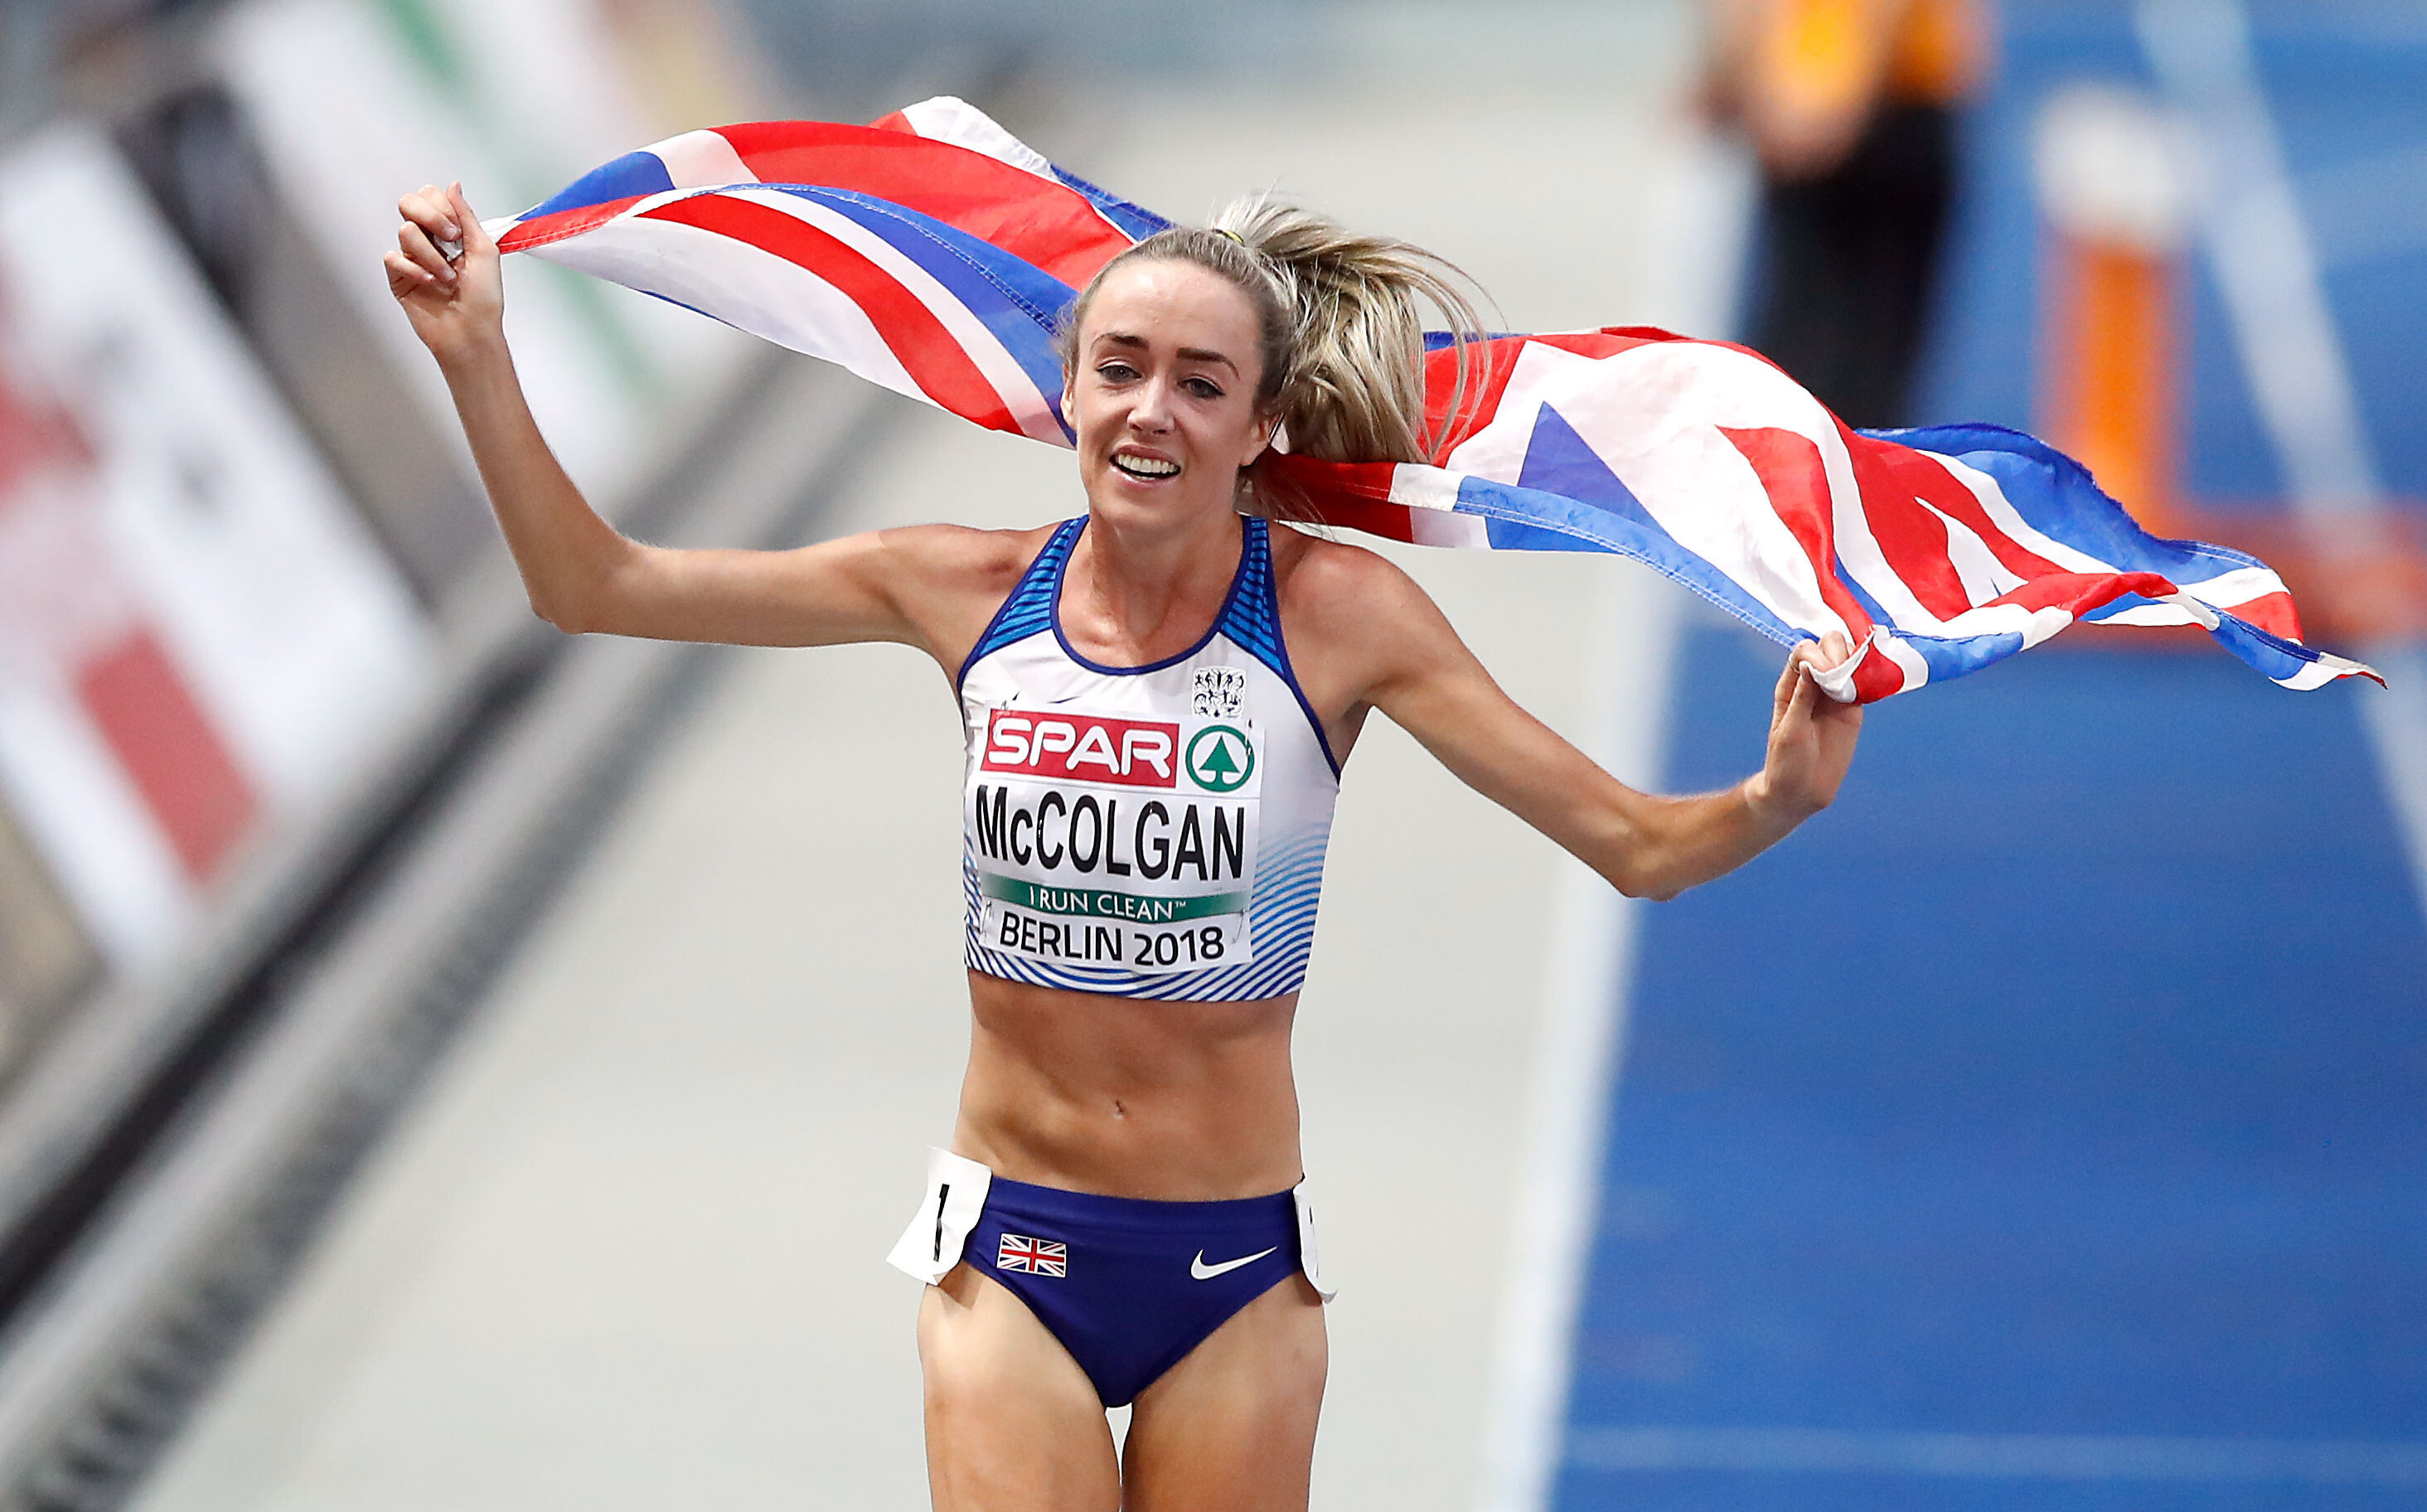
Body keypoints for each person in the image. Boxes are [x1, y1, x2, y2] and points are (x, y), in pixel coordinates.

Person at [387, 177, 1861, 1511]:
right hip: (1009, 1254)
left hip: (1233, 1275)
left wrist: (1771, 799)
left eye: (1200, 383)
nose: (1152, 411)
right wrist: (473, 354)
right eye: (1121, 368)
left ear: (1261, 425)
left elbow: (1631, 843)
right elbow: (595, 584)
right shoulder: (961, 589)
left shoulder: (1336, 618)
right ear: (1070, 391)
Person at [1702, 0, 1985, 428]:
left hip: (1815, 99)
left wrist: (1743, 76)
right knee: (1853, 358)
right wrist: (1842, 92)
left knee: (1804, 339)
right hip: (1867, 101)